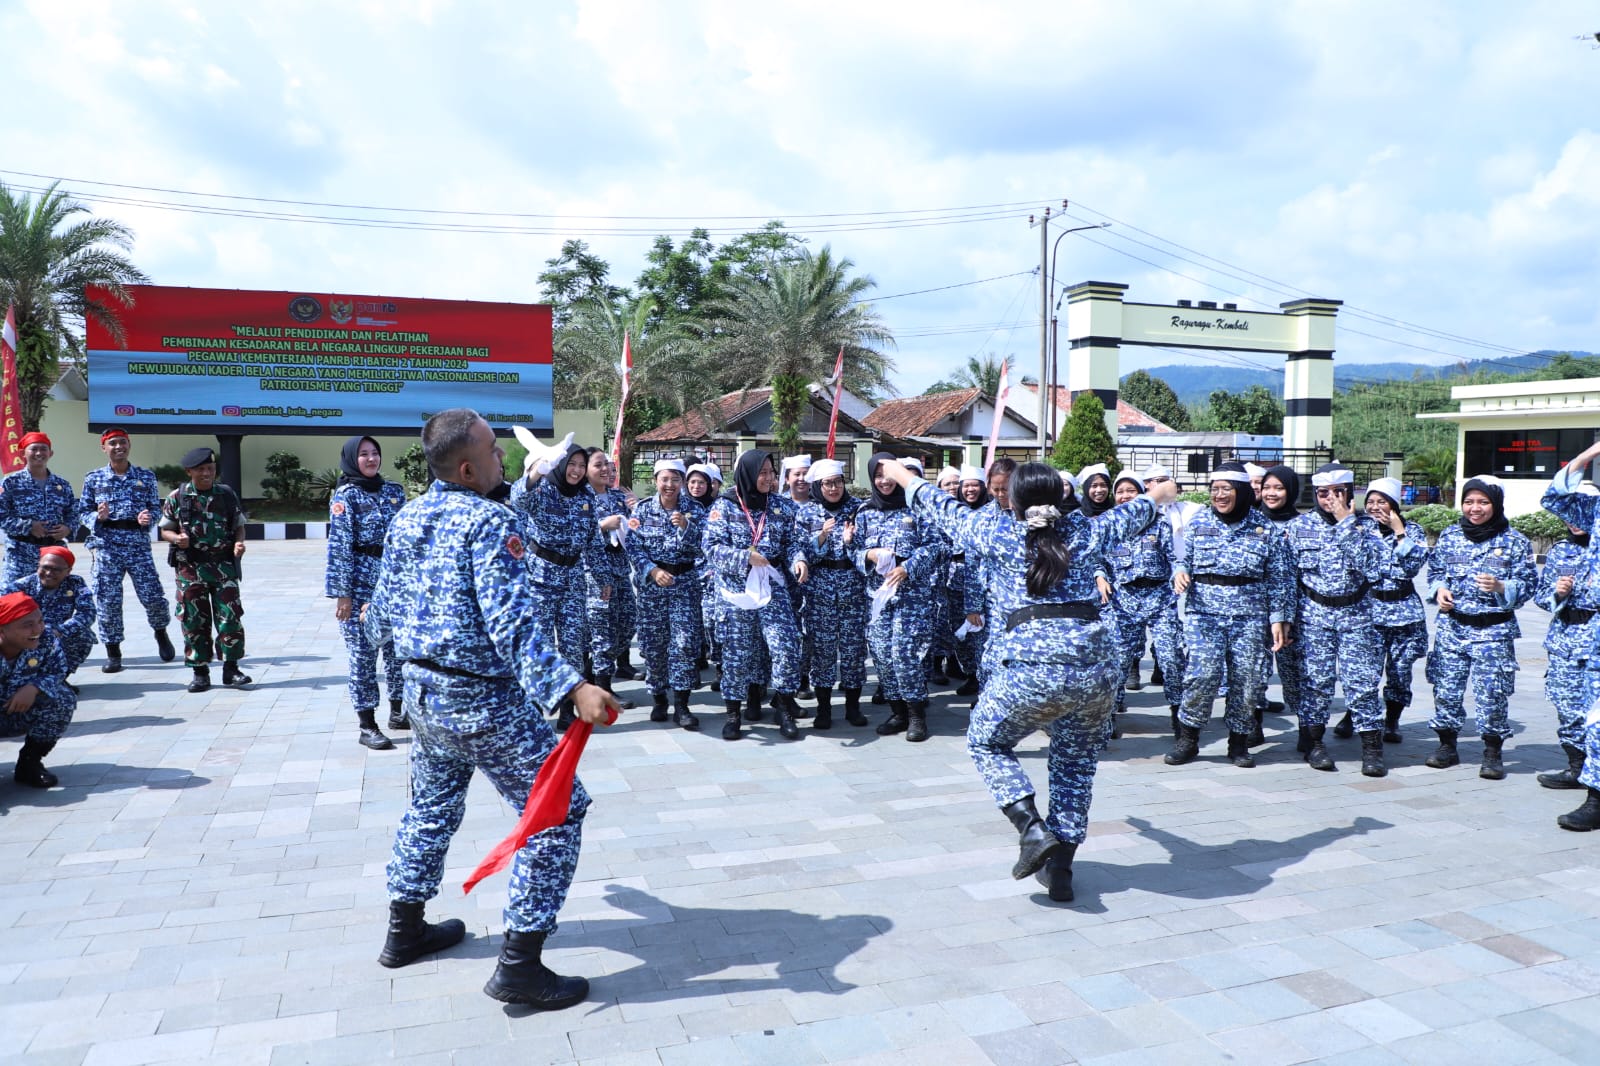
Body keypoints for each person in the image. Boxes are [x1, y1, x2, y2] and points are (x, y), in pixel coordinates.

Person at [364, 408, 619, 1008]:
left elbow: (378, 619)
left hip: (423, 696)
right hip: (482, 700)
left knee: (430, 805)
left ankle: (405, 930)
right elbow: (514, 624)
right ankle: (520, 966)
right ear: (469, 466)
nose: (504, 458)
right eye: (494, 451)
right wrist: (571, 688)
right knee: (557, 812)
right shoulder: (488, 522)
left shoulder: (406, 519)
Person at [873, 457, 1177, 900]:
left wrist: (897, 472)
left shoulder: (996, 532)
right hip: (1096, 670)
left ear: (1012, 500)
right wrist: (1162, 492)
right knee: (1075, 763)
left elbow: (933, 500)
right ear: (1061, 496)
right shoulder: (1089, 532)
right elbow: (1150, 501)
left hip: (1032, 670)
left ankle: (1032, 828)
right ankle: (1061, 871)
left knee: (985, 741)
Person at [1282, 463, 1407, 777]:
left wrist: (1346, 524)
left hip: (1356, 616)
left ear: (1350, 494)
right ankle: (1314, 744)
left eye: (1338, 493)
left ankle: (1372, 748)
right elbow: (1286, 578)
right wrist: (1286, 618)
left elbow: (1376, 570)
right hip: (1313, 615)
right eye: (1323, 493)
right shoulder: (1299, 527)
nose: (1330, 500)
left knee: (1362, 684)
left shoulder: (1367, 526)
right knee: (1315, 683)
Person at [1168, 462, 1294, 768]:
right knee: (1201, 675)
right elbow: (1182, 558)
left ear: (1240, 491)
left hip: (1249, 616)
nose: (1219, 496)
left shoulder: (1265, 529)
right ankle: (1189, 739)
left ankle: (1238, 743)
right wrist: (1181, 570)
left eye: (1226, 490)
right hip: (1204, 613)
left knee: (1247, 681)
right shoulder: (1198, 523)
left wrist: (1279, 618)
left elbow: (1280, 578)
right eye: (1215, 490)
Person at [1424, 475, 1535, 779]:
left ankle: (1492, 752)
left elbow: (1529, 586)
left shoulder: (1514, 541)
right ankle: (1447, 746)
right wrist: (1439, 591)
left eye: (1483, 502)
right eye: (1469, 501)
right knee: (1446, 689)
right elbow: (1435, 573)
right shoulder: (1449, 536)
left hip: (1493, 632)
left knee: (1492, 693)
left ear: (1496, 503)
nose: (1475, 508)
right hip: (1452, 628)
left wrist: (1502, 586)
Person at [702, 450, 808, 740]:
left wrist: (799, 559)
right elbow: (711, 547)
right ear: (747, 473)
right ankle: (733, 714)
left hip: (772, 586)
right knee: (738, 654)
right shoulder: (724, 507)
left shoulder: (782, 507)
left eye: (771, 473)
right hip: (737, 591)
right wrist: (744, 558)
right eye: (761, 473)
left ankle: (784, 707)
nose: (767, 478)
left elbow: (793, 542)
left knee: (785, 645)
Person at [510, 440, 604, 730]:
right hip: (540, 578)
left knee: (573, 645)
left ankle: (567, 706)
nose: (576, 471)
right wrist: (538, 471)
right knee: (540, 644)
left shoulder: (586, 496)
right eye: (571, 464)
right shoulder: (543, 490)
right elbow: (518, 498)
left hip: (573, 578)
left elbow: (593, 541)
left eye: (580, 465)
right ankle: (535, 705)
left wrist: (603, 578)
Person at [326, 435, 409, 751]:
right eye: (363, 454)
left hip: (392, 584)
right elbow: (339, 546)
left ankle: (399, 711)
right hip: (360, 586)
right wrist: (342, 594)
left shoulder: (393, 492)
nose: (371, 459)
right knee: (363, 656)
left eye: (375, 453)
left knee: (398, 651)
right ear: (351, 459)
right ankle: (367, 724)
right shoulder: (345, 496)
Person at [854, 453, 943, 742]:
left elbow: (937, 546)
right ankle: (897, 712)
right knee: (881, 655)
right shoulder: (865, 511)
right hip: (878, 598)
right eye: (878, 476)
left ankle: (916, 715)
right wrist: (867, 554)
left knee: (905, 655)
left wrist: (908, 567)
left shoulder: (918, 508)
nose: (884, 481)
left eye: (888, 474)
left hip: (910, 597)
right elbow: (851, 551)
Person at [78, 428, 175, 672]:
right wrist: (96, 517)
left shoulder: (145, 476)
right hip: (107, 546)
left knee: (152, 596)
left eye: (122, 442)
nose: (118, 447)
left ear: (129, 445)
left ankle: (161, 632)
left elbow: (155, 507)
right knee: (107, 600)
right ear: (104, 448)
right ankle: (113, 652)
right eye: (113, 443)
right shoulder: (94, 478)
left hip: (137, 544)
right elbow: (82, 511)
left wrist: (148, 518)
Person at [158, 447, 249, 692]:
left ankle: (231, 670)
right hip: (190, 568)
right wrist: (176, 539)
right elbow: (165, 528)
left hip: (223, 567)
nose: (207, 473)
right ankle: (200, 672)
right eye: (201, 469)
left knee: (230, 618)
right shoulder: (177, 497)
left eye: (210, 469)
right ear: (190, 471)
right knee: (193, 620)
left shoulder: (226, 495)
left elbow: (238, 525)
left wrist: (239, 543)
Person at [625, 459, 704, 730]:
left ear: (682, 482)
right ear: (656, 480)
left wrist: (686, 528)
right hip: (652, 587)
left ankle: (682, 705)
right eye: (664, 479)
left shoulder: (694, 509)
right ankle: (659, 697)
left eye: (675, 479)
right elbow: (632, 547)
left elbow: (706, 546)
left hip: (685, 585)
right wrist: (651, 570)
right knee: (654, 645)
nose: (669, 485)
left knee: (683, 643)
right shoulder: (643, 510)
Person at [1351, 477, 1429, 745]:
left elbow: (1413, 566)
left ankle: (1392, 720)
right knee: (1363, 670)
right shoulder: (1358, 529)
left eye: (1381, 502)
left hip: (1403, 612)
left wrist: (1399, 532)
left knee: (1399, 670)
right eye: (1370, 502)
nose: (1375, 507)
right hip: (1367, 611)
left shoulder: (1413, 531)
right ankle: (1357, 715)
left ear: (1394, 505)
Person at [1104, 471, 1184, 733]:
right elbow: (1098, 560)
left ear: (1142, 495)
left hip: (1159, 597)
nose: (1125, 496)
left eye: (1131, 491)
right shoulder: (1111, 527)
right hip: (1123, 600)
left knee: (1171, 656)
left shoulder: (1159, 525)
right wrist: (1099, 576)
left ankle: (1179, 713)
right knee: (1118, 659)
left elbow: (1174, 558)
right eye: (1120, 492)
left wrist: (1179, 573)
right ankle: (1109, 714)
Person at [795, 458, 868, 729]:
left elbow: (867, 548)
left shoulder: (858, 509)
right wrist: (822, 537)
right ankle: (823, 709)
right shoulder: (807, 513)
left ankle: (853, 707)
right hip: (820, 592)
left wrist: (851, 541)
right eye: (828, 483)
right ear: (818, 486)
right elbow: (799, 551)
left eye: (838, 482)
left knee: (853, 650)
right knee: (823, 651)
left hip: (852, 590)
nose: (834, 488)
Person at [0, 591, 77, 790]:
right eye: (27, 625)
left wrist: (34, 687)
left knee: (62, 698)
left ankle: (29, 763)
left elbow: (58, 670)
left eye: (40, 621)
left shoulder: (46, 639)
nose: (38, 629)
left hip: (17, 713)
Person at [584, 450, 637, 705]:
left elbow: (634, 527)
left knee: (628, 622)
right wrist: (602, 526)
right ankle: (603, 688)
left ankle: (595, 670)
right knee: (601, 630)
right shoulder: (580, 497)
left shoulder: (617, 496)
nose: (605, 469)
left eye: (607, 464)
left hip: (620, 568)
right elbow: (577, 532)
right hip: (594, 571)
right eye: (598, 465)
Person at [0, 432, 77, 587]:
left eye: (43, 449)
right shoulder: (11, 483)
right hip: (20, 555)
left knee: (52, 602)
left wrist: (67, 528)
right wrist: (28, 526)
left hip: (53, 557)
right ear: (23, 453)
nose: (39, 453)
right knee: (14, 602)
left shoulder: (61, 485)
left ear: (51, 453)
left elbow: (73, 512)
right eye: (34, 449)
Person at [14, 546, 96, 685]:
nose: (49, 573)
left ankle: (58, 679)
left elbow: (88, 613)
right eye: (45, 567)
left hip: (58, 632)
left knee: (84, 635)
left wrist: (60, 630)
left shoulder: (75, 583)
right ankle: (21, 680)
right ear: (37, 566)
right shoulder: (20, 587)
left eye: (56, 569)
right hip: (28, 634)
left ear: (68, 571)